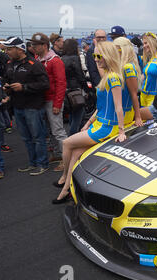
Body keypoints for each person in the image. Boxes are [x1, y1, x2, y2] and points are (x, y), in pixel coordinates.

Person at [53, 41, 127, 204]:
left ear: (108, 56)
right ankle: (67, 189)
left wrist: (121, 131)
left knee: (66, 143)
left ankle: (65, 177)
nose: (95, 59)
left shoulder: (113, 77)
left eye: (98, 55)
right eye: (94, 55)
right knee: (76, 152)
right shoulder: (108, 75)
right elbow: (101, 107)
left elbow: (118, 107)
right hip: (100, 124)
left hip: (106, 127)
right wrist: (88, 124)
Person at [0, 37, 50, 175]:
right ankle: (33, 163)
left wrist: (24, 87)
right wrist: (7, 87)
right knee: (26, 138)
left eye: (9, 49)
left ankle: (42, 164)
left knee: (38, 137)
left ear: (19, 49)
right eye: (6, 49)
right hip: (18, 106)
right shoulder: (9, 63)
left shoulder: (34, 64)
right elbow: (7, 79)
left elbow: (45, 84)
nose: (7, 51)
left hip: (33, 107)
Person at [30, 32, 68, 172]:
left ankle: (67, 159)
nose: (33, 47)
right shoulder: (37, 59)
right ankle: (58, 155)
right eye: (32, 44)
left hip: (52, 100)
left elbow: (61, 83)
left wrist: (57, 104)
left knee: (58, 131)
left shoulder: (55, 60)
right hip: (42, 100)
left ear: (44, 45)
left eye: (36, 45)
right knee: (50, 131)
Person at [113, 37, 143, 127]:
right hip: (117, 112)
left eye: (116, 49)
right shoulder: (121, 66)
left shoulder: (128, 67)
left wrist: (138, 117)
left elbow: (134, 94)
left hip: (124, 113)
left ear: (123, 50)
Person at [61, 39, 89, 136]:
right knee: (78, 117)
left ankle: (79, 136)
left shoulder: (62, 58)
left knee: (73, 116)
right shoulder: (74, 58)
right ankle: (73, 139)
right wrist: (87, 90)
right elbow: (80, 76)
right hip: (75, 90)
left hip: (66, 91)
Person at [140, 32, 157, 109]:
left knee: (151, 121)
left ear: (152, 43)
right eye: (143, 44)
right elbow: (144, 77)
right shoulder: (150, 58)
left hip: (154, 97)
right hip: (143, 95)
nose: (144, 46)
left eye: (146, 43)